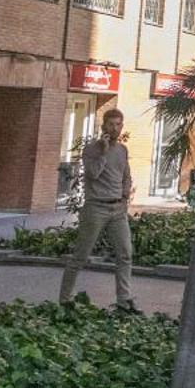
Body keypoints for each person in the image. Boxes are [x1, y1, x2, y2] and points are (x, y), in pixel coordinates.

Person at [59, 108, 136, 311]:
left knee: (125, 253)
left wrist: (125, 194)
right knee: (81, 256)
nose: (115, 128)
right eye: (111, 124)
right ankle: (66, 298)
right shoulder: (92, 149)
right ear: (103, 126)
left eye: (119, 124)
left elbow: (126, 175)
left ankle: (124, 300)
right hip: (96, 208)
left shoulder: (122, 150)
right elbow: (92, 174)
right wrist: (102, 151)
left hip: (117, 209)